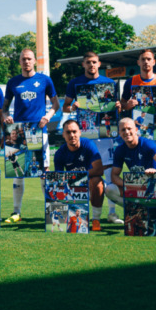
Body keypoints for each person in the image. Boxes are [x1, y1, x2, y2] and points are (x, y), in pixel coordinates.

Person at [61, 51, 122, 224]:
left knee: (109, 171)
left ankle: (112, 213)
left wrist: (118, 106)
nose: (91, 65)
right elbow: (65, 107)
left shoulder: (109, 83)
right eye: (88, 62)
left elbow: (116, 106)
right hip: (85, 135)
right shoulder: (75, 83)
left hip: (105, 133)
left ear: (99, 64)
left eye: (94, 62)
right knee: (83, 172)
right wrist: (72, 107)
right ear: (83, 65)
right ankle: (79, 213)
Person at [0, 48, 58, 223]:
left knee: (43, 172)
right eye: (23, 59)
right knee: (17, 171)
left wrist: (47, 117)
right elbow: (4, 108)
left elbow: (55, 104)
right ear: (20, 62)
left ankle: (50, 210)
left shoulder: (44, 80)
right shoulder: (13, 82)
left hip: (38, 131)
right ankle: (16, 212)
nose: (26, 62)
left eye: (29, 59)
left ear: (34, 61)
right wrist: (5, 117)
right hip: (17, 131)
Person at [106, 116, 156, 229]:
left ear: (136, 129)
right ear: (119, 132)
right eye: (123, 130)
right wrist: (131, 185)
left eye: (129, 128)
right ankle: (138, 211)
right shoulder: (120, 150)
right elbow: (114, 176)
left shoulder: (146, 144)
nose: (127, 132)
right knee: (109, 190)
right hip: (137, 190)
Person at [52, 120, 107, 231]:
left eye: (74, 131)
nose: (72, 135)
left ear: (80, 132)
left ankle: (96, 220)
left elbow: (99, 170)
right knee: (47, 183)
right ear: (63, 134)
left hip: (89, 185)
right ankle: (61, 218)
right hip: (72, 188)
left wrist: (75, 176)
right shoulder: (59, 153)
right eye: (68, 132)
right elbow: (59, 178)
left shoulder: (88, 145)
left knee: (97, 181)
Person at [121, 48, 156, 149]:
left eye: (148, 59)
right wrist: (127, 105)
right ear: (138, 62)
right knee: (141, 164)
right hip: (138, 135)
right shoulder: (130, 82)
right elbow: (122, 105)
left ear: (154, 62)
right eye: (143, 59)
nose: (146, 62)